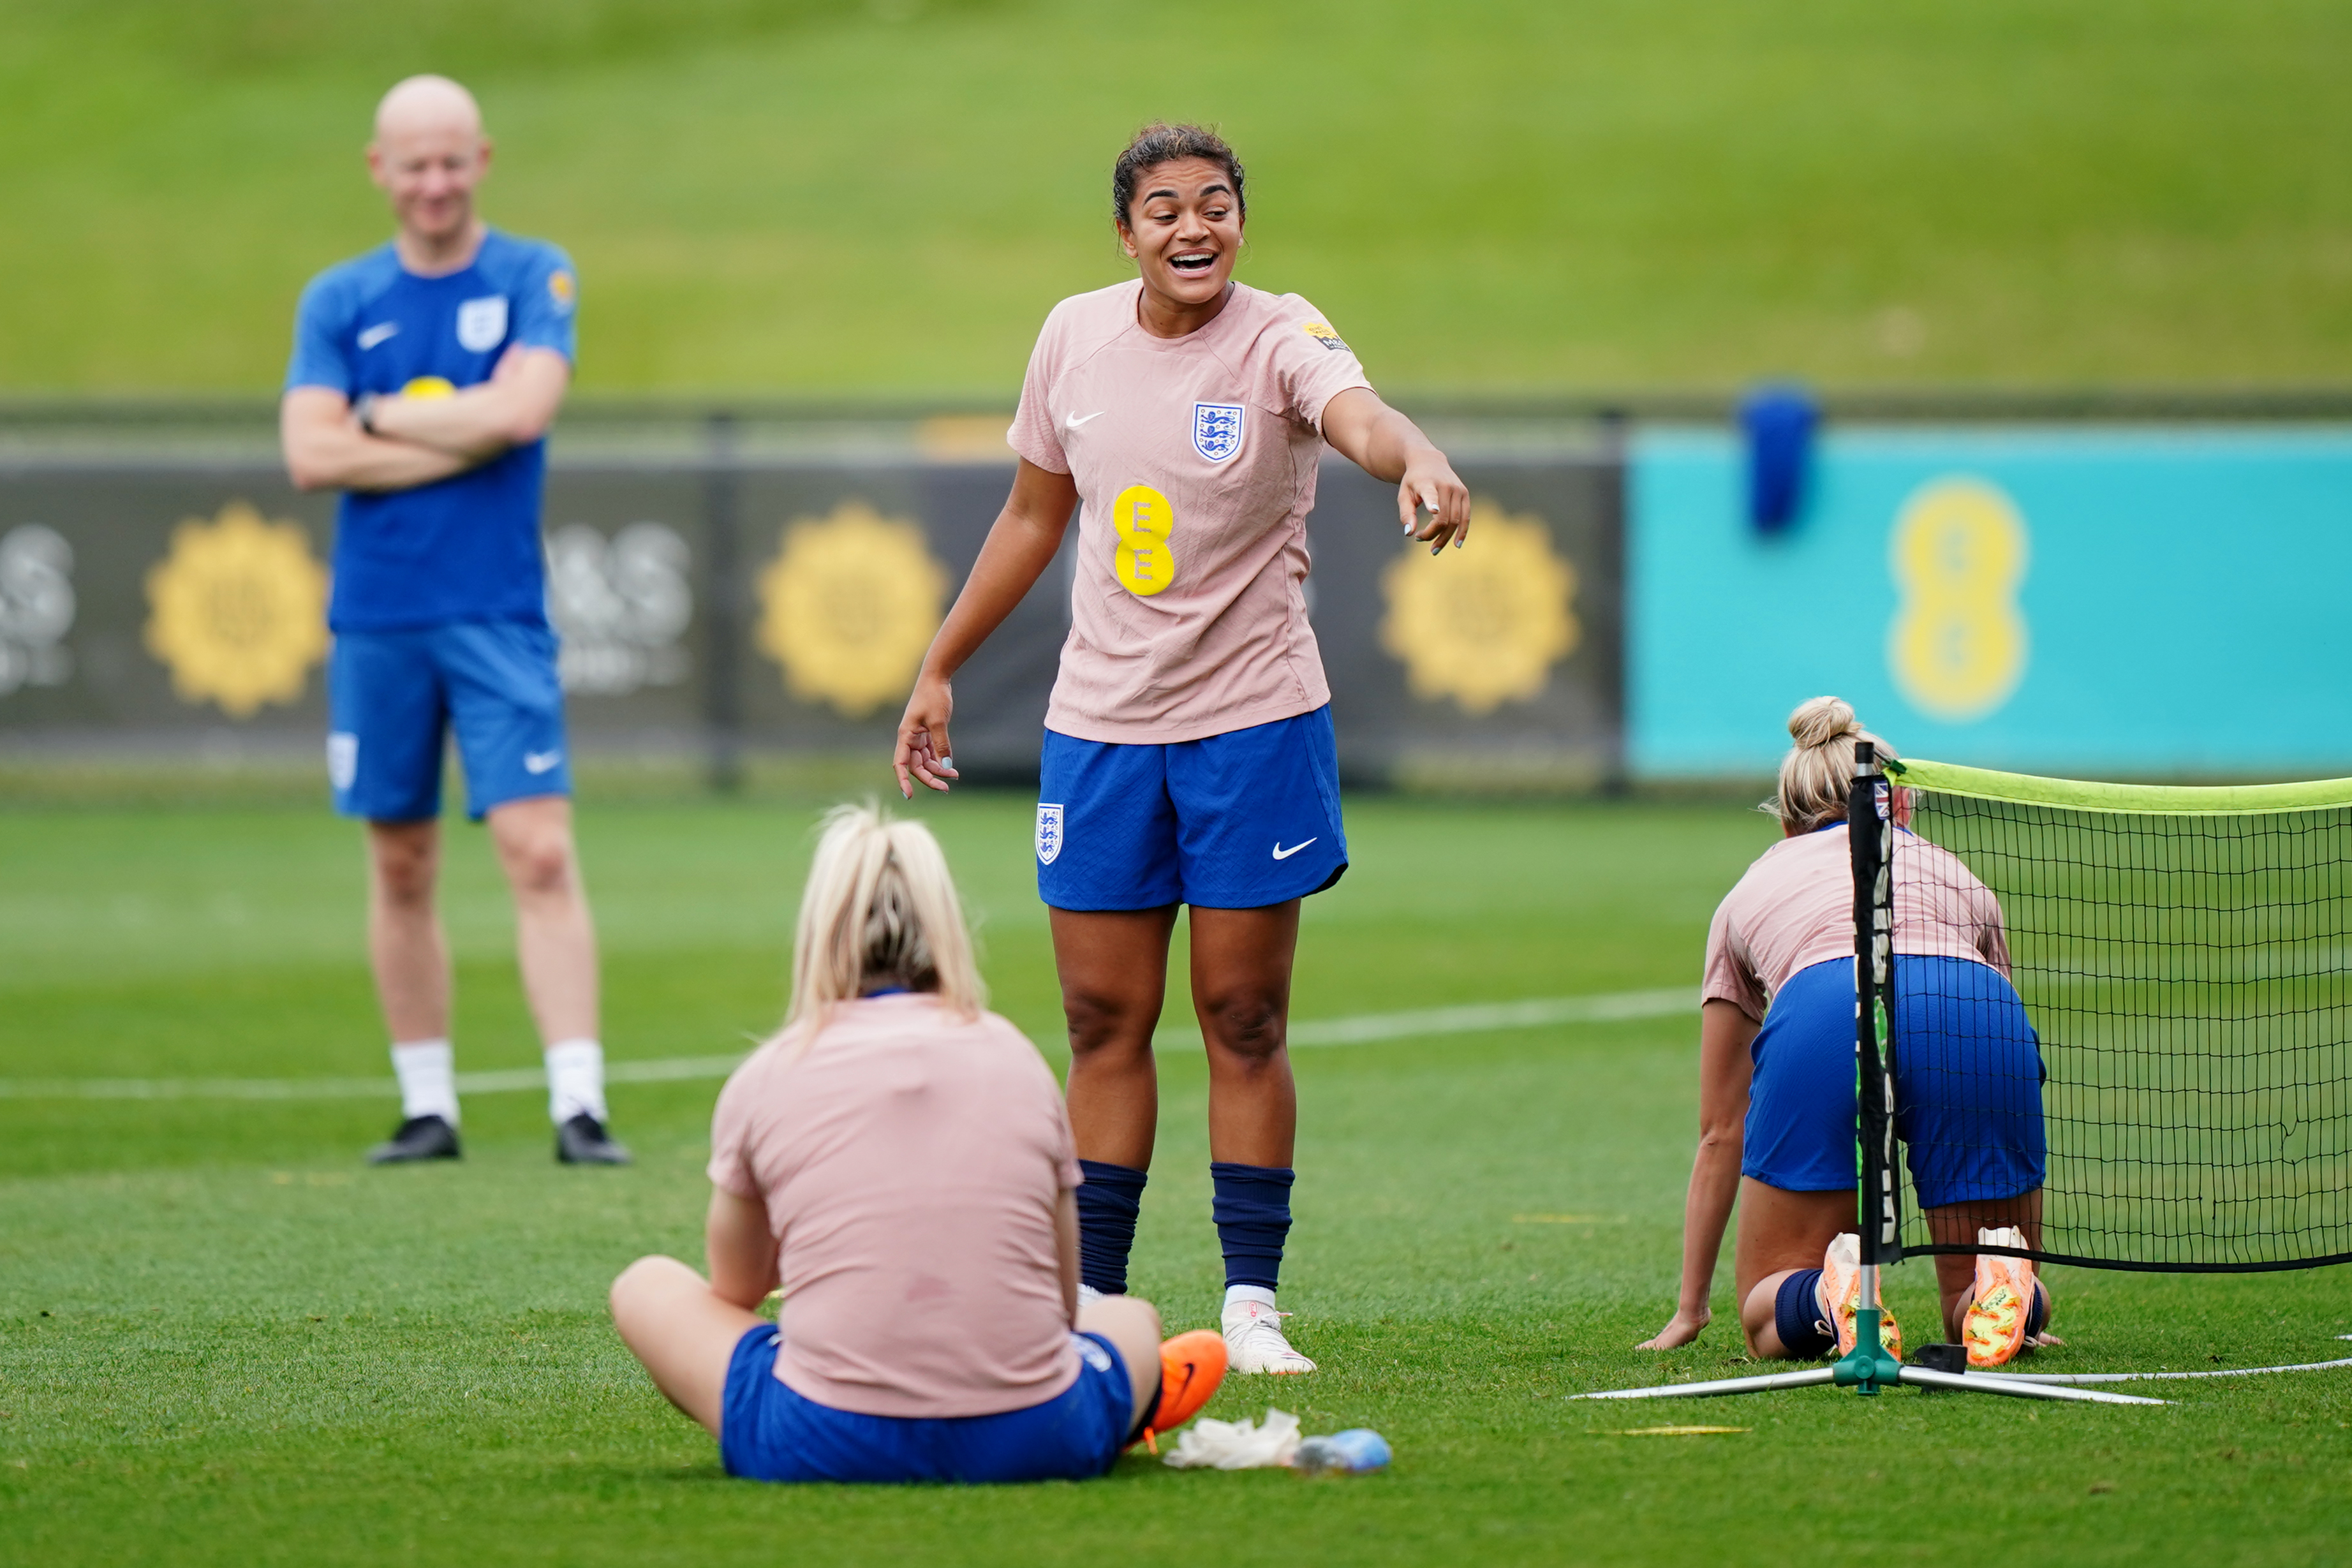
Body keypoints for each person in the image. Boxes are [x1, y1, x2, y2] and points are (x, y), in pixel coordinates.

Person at [891, 122, 1472, 1375]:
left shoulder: (1280, 334)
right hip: (1099, 730)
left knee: (1242, 1014)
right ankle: (1093, 1304)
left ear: (1240, 221)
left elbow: (1357, 415)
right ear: (1125, 233)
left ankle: (1251, 1304)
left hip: (1252, 725)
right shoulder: (1070, 337)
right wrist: (938, 663)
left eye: (1214, 205)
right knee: (1102, 1016)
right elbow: (1033, 514)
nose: (1192, 228)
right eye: (1164, 211)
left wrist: (1415, 455)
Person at [610, 806, 1228, 1483]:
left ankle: (825, 1373)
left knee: (646, 1284)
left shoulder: (770, 1073)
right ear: (949, 932)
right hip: (1037, 1435)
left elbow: (735, 1287)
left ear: (819, 934)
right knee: (1130, 1318)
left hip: (821, 1439)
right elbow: (1059, 1296)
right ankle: (1124, 1401)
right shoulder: (1014, 1056)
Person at [279, 75, 626, 1165]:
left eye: (450, 160)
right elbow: (308, 452)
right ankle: (428, 1102)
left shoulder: (533, 272)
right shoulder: (337, 297)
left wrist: (377, 413)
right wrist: (452, 426)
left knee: (536, 847)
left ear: (481, 158)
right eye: (412, 163)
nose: (433, 182)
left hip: (494, 610)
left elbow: (526, 410)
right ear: (380, 170)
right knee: (402, 860)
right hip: (378, 612)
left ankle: (579, 1101)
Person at [1638, 697, 2058, 1370]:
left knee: (1769, 1311)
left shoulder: (1750, 891)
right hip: (1974, 1005)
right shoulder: (1963, 877)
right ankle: (2007, 1291)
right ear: (1905, 809)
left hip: (1825, 1004)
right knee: (1970, 1286)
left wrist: (1691, 1308)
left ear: (1785, 822)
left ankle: (1829, 1300)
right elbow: (2001, 1014)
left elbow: (1721, 1129)